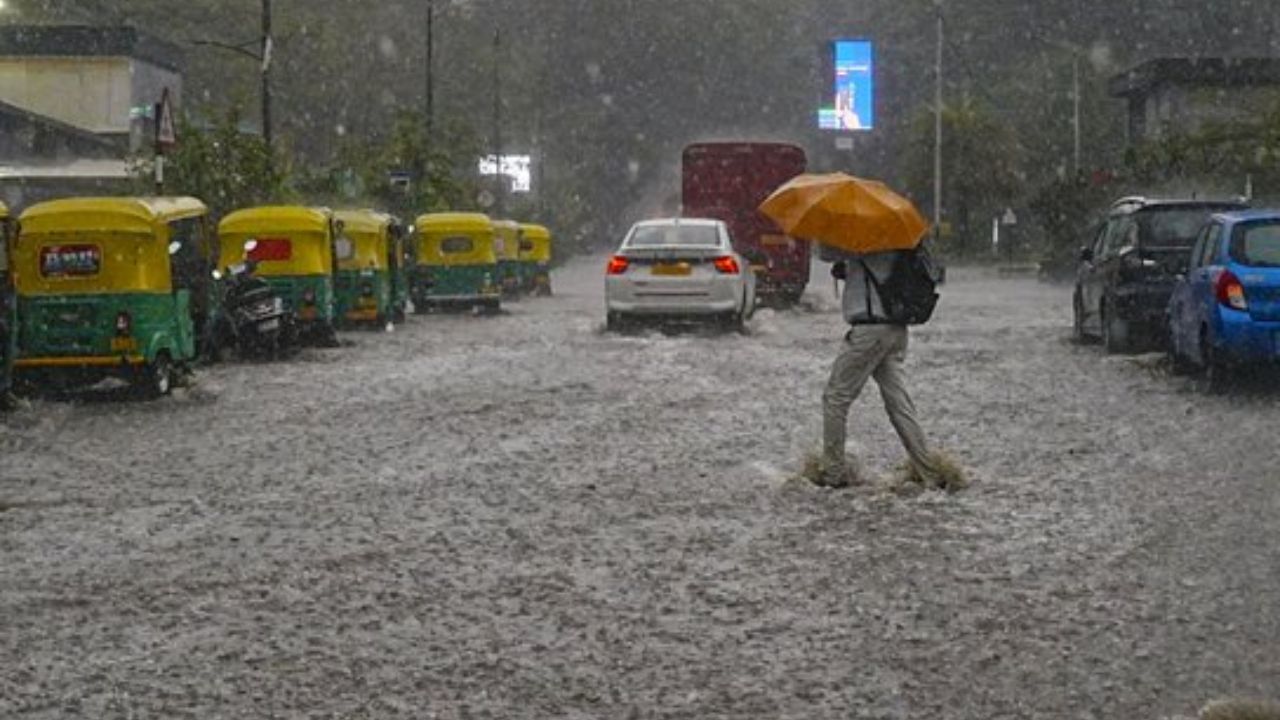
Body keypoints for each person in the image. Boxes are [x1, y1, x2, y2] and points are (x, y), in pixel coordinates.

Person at [817, 251, 947, 489]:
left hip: (870, 331)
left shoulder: (864, 246)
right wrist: (847, 270)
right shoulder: (894, 245)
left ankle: (832, 473)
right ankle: (929, 472)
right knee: (899, 404)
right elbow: (877, 279)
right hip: (895, 329)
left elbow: (825, 252)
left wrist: (845, 260)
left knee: (835, 398)